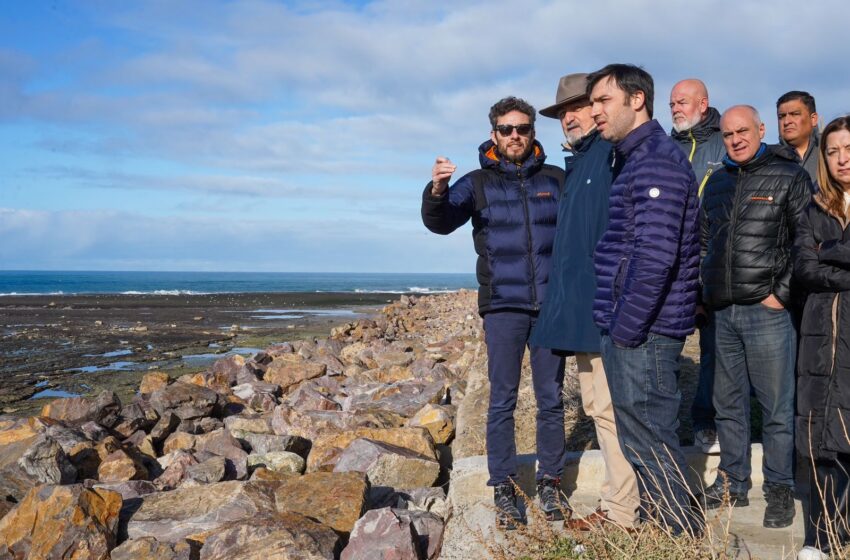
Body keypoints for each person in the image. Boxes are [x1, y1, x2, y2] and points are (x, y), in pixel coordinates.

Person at [421, 96, 569, 529]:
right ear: (494, 135)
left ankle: (551, 483)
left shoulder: (556, 178)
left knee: (551, 399)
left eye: (522, 128)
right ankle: (504, 487)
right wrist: (436, 190)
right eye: (506, 129)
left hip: (550, 306)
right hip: (503, 306)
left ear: (533, 132)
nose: (515, 136)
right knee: (502, 399)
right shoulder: (477, 183)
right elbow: (440, 222)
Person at [588, 63, 701, 534]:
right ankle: (668, 531)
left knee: (651, 439)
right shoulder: (635, 158)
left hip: (646, 332)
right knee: (641, 441)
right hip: (638, 329)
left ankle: (681, 537)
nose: (595, 111)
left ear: (637, 100)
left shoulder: (655, 160)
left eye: (603, 100)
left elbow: (655, 258)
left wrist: (625, 330)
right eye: (593, 103)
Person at [531, 73, 640, 531]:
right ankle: (620, 505)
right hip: (582, 314)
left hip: (604, 313)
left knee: (613, 412)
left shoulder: (609, 155)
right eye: (563, 112)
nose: (571, 117)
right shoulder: (582, 161)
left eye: (579, 107)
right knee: (600, 410)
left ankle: (623, 511)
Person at [700, 105, 811, 528]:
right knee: (727, 406)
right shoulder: (717, 182)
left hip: (767, 313)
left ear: (761, 130)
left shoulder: (789, 176)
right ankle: (733, 482)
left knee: (777, 408)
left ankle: (779, 489)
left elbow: (806, 242)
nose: (736, 140)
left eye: (743, 131)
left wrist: (780, 294)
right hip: (722, 312)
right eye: (728, 135)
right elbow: (703, 241)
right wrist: (703, 292)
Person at [793, 115, 850, 560]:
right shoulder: (813, 208)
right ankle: (819, 536)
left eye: (848, 149)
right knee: (818, 438)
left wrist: (829, 251)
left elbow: (819, 262)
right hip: (819, 337)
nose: (841, 158)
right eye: (832, 151)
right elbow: (804, 269)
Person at [668, 78, 727, 455]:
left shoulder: (725, 142)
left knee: (714, 350)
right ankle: (665, 429)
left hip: (712, 262)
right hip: (670, 265)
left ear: (703, 104)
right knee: (664, 352)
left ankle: (706, 422)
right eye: (672, 103)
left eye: (683, 102)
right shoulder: (664, 148)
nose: (676, 108)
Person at [778, 90, 820, 182]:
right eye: (782, 116)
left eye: (795, 114)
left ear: (813, 119)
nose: (786, 122)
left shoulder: (829, 149)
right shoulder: (769, 159)